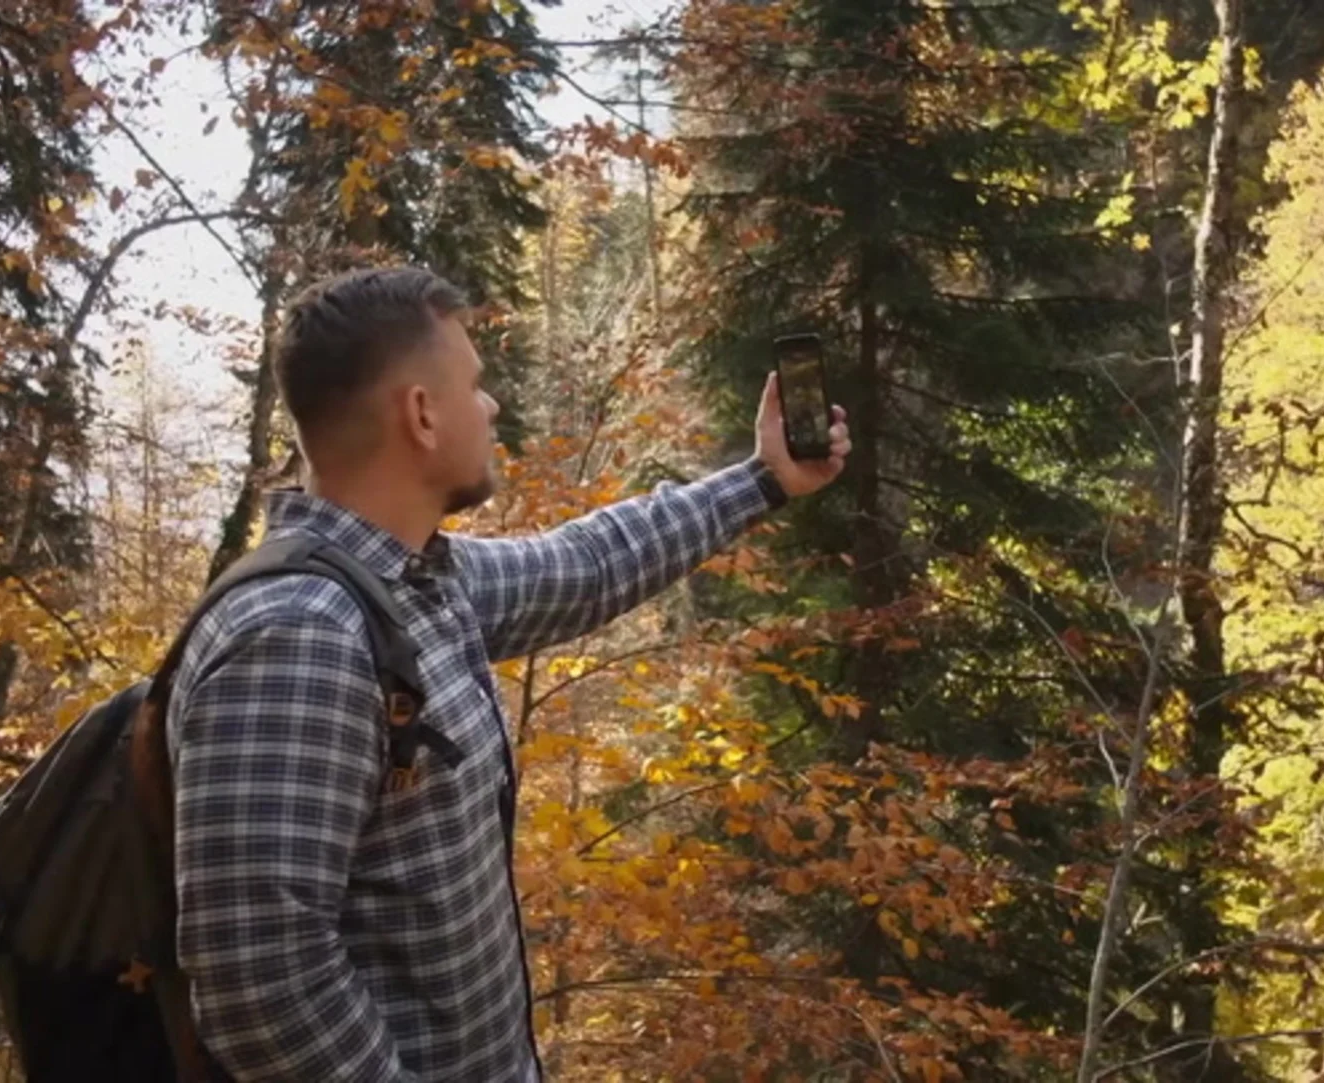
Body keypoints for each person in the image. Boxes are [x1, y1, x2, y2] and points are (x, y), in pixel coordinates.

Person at [165, 265, 850, 1081]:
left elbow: (587, 565)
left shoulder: (414, 584)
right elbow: (261, 982)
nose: (489, 407)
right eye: (475, 385)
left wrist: (764, 478)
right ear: (421, 413)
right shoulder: (300, 637)